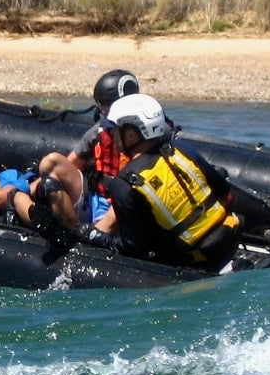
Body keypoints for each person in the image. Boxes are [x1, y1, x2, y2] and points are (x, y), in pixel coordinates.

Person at [72, 93, 241, 271]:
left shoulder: (123, 184)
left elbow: (133, 248)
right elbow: (223, 190)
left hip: (195, 261)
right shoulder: (181, 149)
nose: (111, 135)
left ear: (131, 135)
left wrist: (92, 234)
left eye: (114, 130)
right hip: (229, 238)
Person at [33, 69, 141, 234]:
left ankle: (89, 236)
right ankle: (75, 231)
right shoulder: (98, 133)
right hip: (98, 202)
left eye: (106, 104)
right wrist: (31, 188)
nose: (103, 110)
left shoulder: (146, 138)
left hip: (126, 207)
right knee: (51, 164)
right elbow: (70, 163)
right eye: (101, 104)